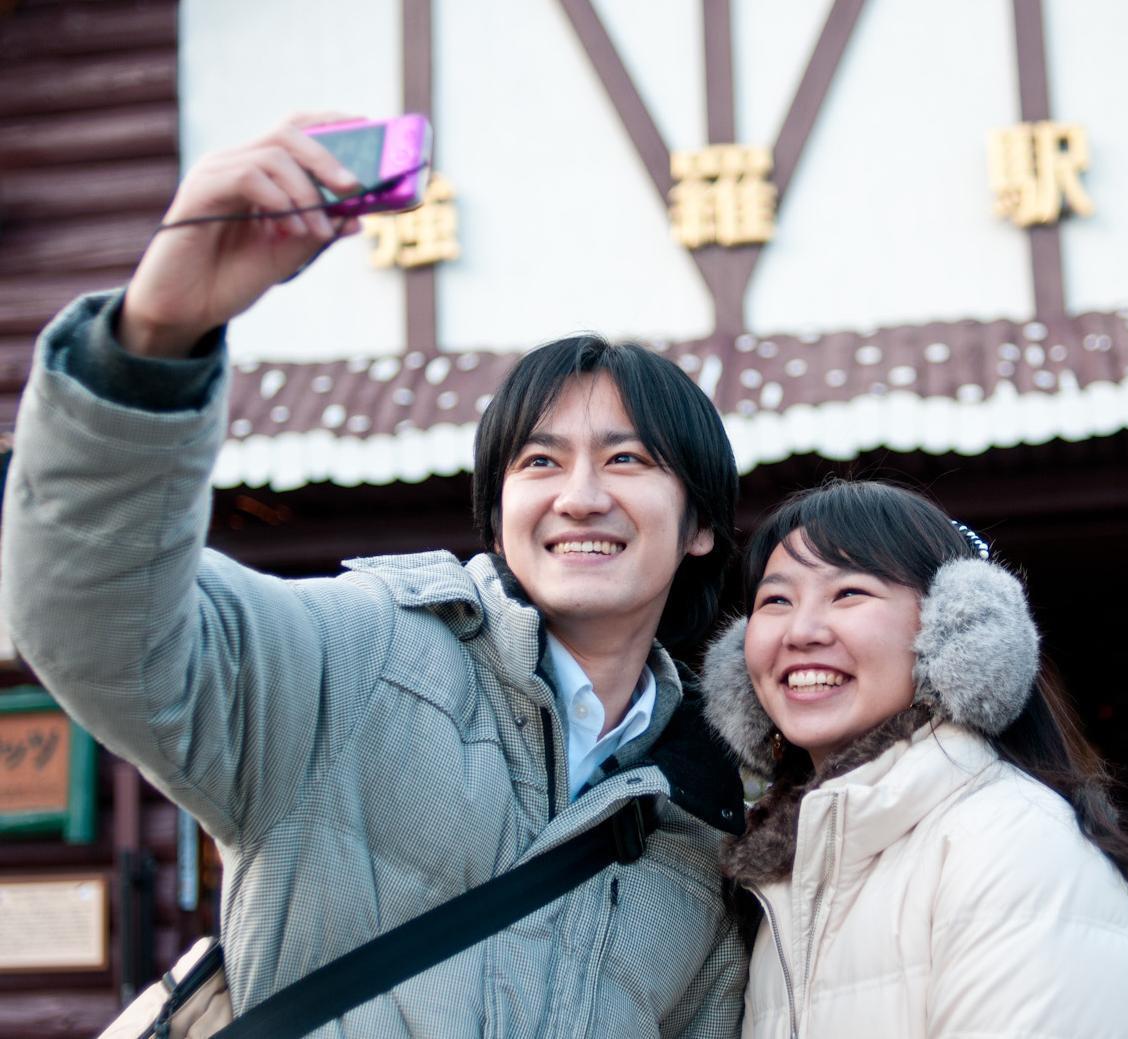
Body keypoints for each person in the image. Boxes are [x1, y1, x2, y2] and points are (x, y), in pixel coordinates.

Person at [1, 117, 749, 1036]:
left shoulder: (705, 819)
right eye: (540, 462)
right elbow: (100, 622)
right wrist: (153, 340)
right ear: (499, 508)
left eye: (627, 459)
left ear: (702, 524)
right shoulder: (360, 654)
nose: (580, 497)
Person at [699, 480, 1128, 1038]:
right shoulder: (786, 865)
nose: (801, 631)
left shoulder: (1015, 844)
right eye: (776, 600)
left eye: (849, 593)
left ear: (955, 629)